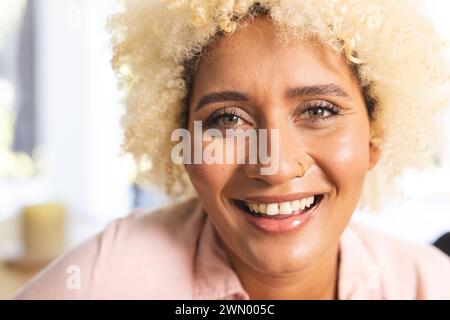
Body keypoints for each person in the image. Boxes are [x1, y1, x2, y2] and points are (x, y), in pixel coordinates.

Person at [16, 0, 450, 299]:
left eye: (318, 110)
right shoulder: (103, 277)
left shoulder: (430, 283)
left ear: (373, 139)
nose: (274, 166)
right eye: (227, 119)